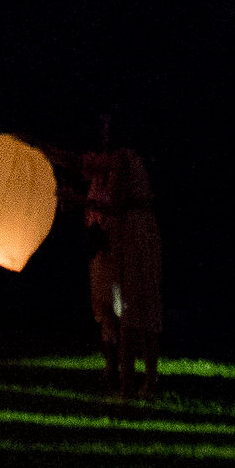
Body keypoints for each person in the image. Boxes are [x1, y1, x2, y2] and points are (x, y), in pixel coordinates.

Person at [78, 114, 165, 401]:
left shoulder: (123, 160)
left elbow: (114, 203)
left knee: (133, 306)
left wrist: (80, 200)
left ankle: (139, 382)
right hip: (133, 230)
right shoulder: (129, 159)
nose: (105, 135)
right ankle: (135, 381)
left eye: (110, 129)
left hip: (132, 233)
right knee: (131, 308)